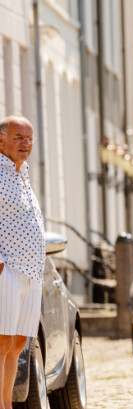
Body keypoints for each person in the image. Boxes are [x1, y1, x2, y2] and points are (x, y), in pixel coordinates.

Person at [0, 116, 45, 409]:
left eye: (29, 138)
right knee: (2, 343)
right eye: (19, 137)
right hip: (9, 270)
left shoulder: (22, 171)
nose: (26, 144)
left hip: (32, 272)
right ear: (1, 140)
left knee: (17, 345)